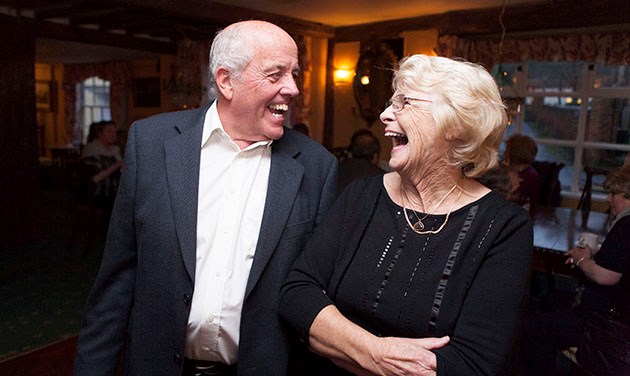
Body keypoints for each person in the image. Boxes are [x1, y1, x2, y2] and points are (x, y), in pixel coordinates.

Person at [73, 20, 338, 376]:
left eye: (294, 74)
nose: (292, 89)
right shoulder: (150, 143)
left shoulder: (317, 166)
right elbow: (119, 279)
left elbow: (314, 292)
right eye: (275, 75)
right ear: (226, 80)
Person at [279, 54, 533, 375]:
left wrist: (336, 341)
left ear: (454, 125)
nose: (385, 115)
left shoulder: (503, 227)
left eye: (404, 103)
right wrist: (374, 353)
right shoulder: (362, 195)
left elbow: (472, 364)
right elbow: (297, 293)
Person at [522, 166, 630, 375]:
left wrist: (581, 259)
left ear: (625, 195)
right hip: (612, 313)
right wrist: (596, 253)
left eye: (612, 194)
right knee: (550, 301)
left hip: (601, 321)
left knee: (530, 330)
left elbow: (605, 276)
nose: (608, 199)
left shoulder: (625, 225)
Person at [79, 120, 123, 225]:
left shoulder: (114, 150)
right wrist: (117, 165)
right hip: (96, 193)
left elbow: (121, 171)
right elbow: (95, 179)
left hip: (113, 191)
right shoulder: (91, 150)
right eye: (109, 132)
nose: (113, 135)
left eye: (115, 132)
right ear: (100, 134)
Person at [503, 133, 540, 215]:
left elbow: (532, 203)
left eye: (507, 149)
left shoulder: (531, 176)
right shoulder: (505, 170)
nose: (504, 152)